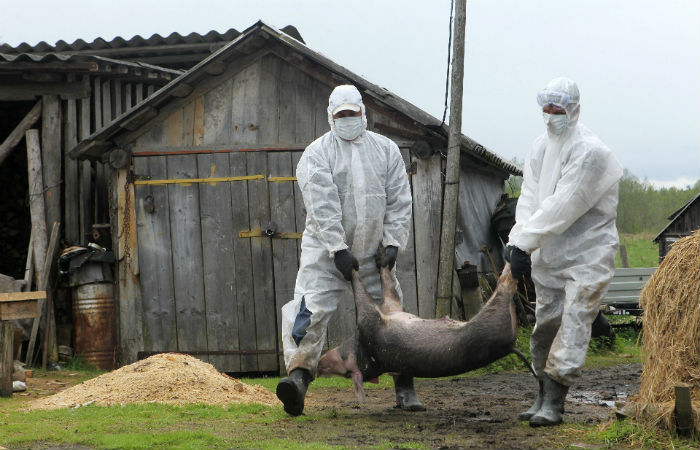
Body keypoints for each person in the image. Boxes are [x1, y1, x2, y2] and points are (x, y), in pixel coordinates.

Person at [276, 84, 423, 416]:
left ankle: (405, 387)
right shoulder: (317, 153)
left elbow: (400, 200)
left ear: (363, 114)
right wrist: (338, 248)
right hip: (326, 255)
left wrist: (393, 243)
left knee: (391, 318)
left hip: (373, 254)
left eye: (352, 114)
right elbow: (321, 204)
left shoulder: (386, 151)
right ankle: (297, 380)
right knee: (306, 312)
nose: (347, 120)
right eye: (340, 115)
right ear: (331, 116)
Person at [505, 77, 623, 427]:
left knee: (572, 325)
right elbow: (528, 196)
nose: (551, 116)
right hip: (550, 255)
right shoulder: (540, 147)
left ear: (574, 110)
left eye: (558, 110)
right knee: (546, 326)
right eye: (547, 109)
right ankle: (541, 392)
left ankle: (555, 402)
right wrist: (518, 238)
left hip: (588, 255)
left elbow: (564, 205)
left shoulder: (592, 152)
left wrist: (526, 241)